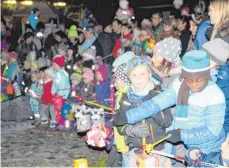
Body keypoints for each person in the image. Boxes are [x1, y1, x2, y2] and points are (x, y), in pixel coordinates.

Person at [115, 50, 226, 156]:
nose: (194, 85)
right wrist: (128, 116)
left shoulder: (215, 95)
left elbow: (212, 131)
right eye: (189, 80)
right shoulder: (180, 84)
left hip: (211, 148)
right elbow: (157, 103)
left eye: (199, 80)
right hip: (190, 148)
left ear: (207, 75)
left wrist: (182, 135)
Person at [114, 57, 173, 167]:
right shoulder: (126, 100)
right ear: (129, 77)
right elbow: (119, 124)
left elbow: (168, 121)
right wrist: (132, 130)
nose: (138, 78)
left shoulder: (159, 95)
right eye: (134, 75)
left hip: (157, 150)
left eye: (142, 73)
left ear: (149, 74)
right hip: (135, 151)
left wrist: (152, 110)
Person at [51, 55, 70, 128]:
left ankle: (62, 123)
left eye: (54, 65)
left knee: (61, 109)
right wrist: (53, 91)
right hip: (58, 95)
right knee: (57, 108)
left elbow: (62, 85)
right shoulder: (56, 74)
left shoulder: (62, 75)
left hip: (63, 95)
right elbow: (54, 84)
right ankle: (58, 121)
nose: (53, 67)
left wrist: (59, 95)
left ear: (59, 65)